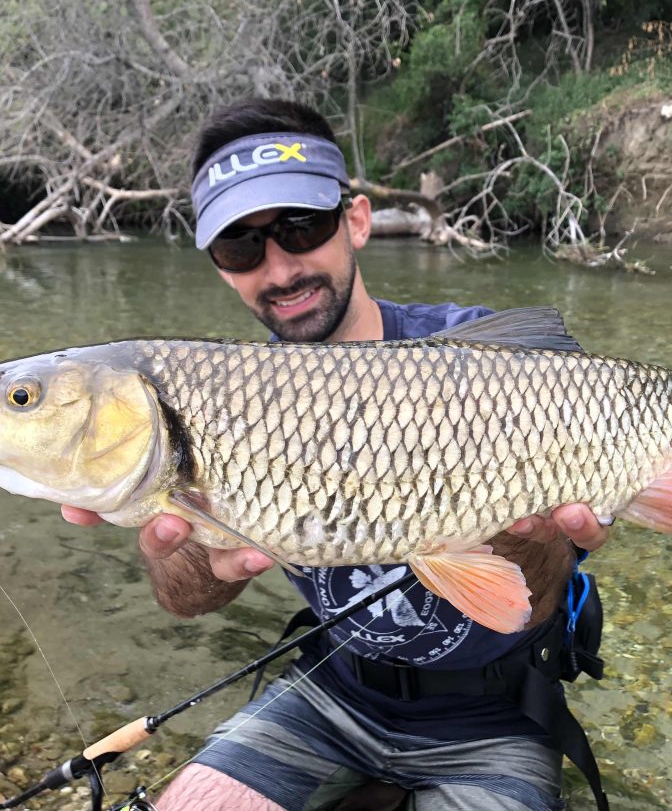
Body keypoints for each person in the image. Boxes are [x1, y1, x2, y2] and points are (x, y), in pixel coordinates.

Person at [62, 98, 610, 811]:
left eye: (301, 226)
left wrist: (533, 539)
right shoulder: (216, 402)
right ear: (221, 267)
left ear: (354, 220)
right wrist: (195, 552)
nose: (280, 267)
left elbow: (533, 603)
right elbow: (183, 596)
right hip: (332, 691)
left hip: (493, 714)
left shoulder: (485, 363)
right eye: (241, 247)